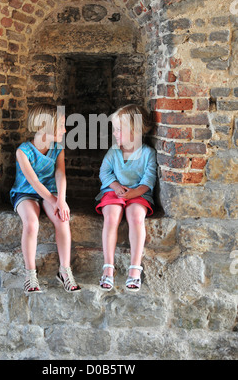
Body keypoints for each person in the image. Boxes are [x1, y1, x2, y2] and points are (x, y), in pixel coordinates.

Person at [10, 103, 81, 295]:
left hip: (50, 190)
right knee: (31, 223)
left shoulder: (58, 148)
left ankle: (65, 270)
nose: (65, 130)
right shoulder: (23, 151)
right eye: (60, 126)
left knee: (62, 218)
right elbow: (33, 181)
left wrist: (61, 200)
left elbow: (60, 174)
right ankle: (30, 273)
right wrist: (53, 200)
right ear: (43, 126)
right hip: (26, 191)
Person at [95, 104, 157, 293]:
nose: (115, 133)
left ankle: (134, 268)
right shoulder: (114, 152)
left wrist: (134, 193)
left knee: (136, 217)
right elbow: (104, 173)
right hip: (113, 191)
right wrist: (115, 186)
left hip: (138, 193)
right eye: (115, 129)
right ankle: (108, 267)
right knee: (112, 216)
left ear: (135, 131)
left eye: (119, 130)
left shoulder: (147, 154)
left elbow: (149, 178)